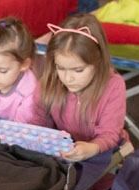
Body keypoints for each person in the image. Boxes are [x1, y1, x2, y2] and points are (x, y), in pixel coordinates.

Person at [39, 14, 126, 162]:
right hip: (62, 156)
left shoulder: (114, 86)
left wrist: (91, 148)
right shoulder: (51, 79)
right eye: (61, 68)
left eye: (78, 70)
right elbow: (38, 121)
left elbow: (110, 134)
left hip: (103, 155)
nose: (68, 78)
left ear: (98, 62)